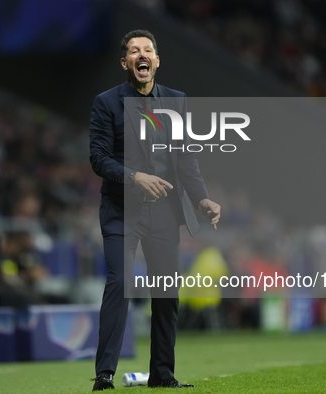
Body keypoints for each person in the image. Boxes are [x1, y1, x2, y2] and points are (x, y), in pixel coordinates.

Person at [89, 29, 221, 391]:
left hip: (163, 212)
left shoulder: (176, 101)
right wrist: (134, 177)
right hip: (121, 209)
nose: (141, 54)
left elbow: (185, 157)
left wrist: (202, 198)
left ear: (157, 60)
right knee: (120, 282)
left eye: (148, 50)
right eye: (134, 51)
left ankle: (162, 374)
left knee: (166, 291)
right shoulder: (106, 102)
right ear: (125, 62)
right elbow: (98, 159)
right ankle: (105, 374)